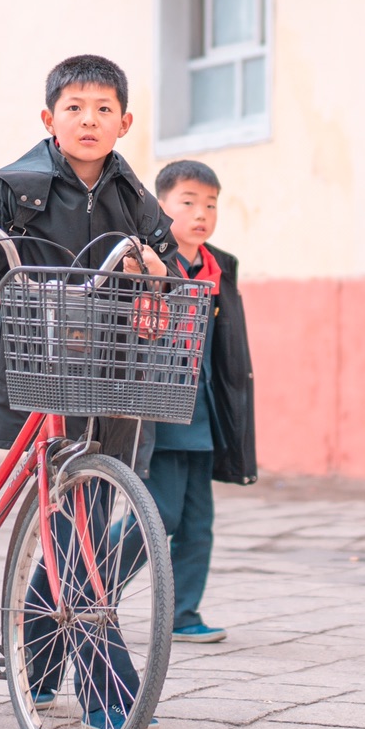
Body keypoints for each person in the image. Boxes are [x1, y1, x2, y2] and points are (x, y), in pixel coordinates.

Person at [0, 54, 176, 729]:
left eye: (104, 109)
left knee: (76, 530)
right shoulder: (12, 187)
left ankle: (39, 664)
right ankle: (112, 693)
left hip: (111, 381)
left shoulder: (133, 198)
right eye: (76, 107)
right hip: (40, 375)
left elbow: (166, 267)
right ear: (49, 118)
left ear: (125, 121)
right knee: (73, 535)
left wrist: (154, 268)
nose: (90, 119)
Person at [149, 160, 257, 645]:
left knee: (198, 524)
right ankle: (92, 582)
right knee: (160, 516)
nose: (201, 213)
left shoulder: (219, 267)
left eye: (210, 204)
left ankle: (183, 614)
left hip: (205, 414)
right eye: (188, 202)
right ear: (161, 206)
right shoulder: (149, 262)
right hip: (161, 414)